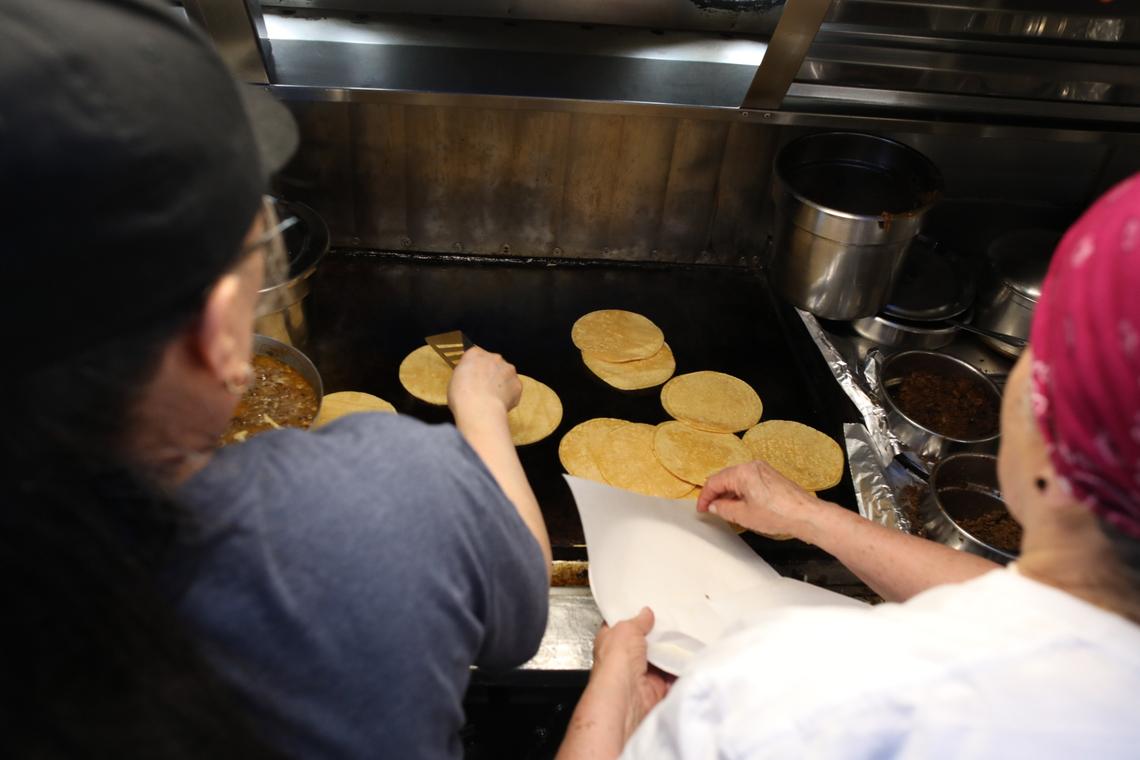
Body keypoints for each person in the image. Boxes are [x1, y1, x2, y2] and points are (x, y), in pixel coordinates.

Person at [1, 1, 550, 757]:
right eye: (256, 244)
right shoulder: (384, 493)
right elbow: (521, 615)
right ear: (217, 328)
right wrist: (481, 410)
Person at [557, 175, 1140, 759]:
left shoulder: (800, 690)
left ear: (1048, 438)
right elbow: (1012, 611)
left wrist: (613, 698)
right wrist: (811, 516)